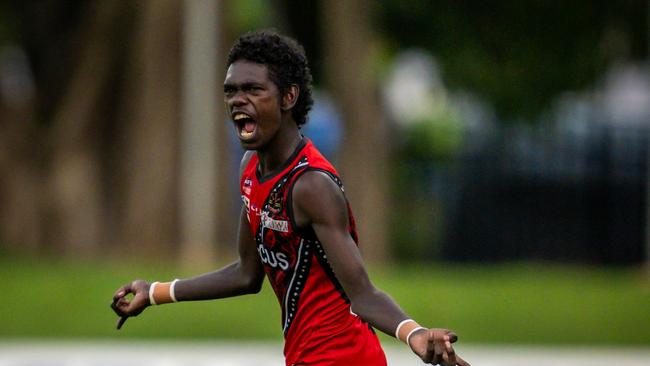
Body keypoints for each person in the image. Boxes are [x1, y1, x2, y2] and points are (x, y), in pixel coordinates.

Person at [111, 30, 470, 366]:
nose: (238, 100)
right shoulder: (250, 168)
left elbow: (363, 294)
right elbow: (246, 274)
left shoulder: (311, 185)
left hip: (343, 358)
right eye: (231, 90)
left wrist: (415, 335)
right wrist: (155, 292)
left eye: (253, 89)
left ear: (288, 97)